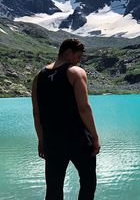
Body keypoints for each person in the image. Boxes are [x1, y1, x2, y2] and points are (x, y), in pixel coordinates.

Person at [31, 38, 101, 200]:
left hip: (52, 141)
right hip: (79, 140)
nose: (79, 60)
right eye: (78, 56)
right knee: (88, 182)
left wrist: (41, 140)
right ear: (68, 53)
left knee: (54, 187)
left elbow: (36, 113)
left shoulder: (38, 77)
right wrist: (95, 137)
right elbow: (84, 108)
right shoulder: (75, 72)